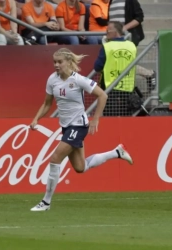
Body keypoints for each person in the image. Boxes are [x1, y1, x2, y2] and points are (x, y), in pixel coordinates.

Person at [30, 48, 133, 211]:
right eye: (54, 62)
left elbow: (103, 95)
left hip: (78, 125)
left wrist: (95, 119)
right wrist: (36, 119)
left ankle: (46, 202)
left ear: (69, 62)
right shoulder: (52, 80)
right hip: (66, 127)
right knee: (80, 167)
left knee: (55, 159)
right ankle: (116, 152)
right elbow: (47, 103)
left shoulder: (78, 80)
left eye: (60, 62)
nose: (56, 65)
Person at [94, 21, 137, 116]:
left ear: (115, 31)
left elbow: (97, 67)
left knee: (110, 118)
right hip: (128, 87)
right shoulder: (132, 45)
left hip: (110, 88)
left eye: (108, 30)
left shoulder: (107, 46)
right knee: (126, 118)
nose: (106, 32)